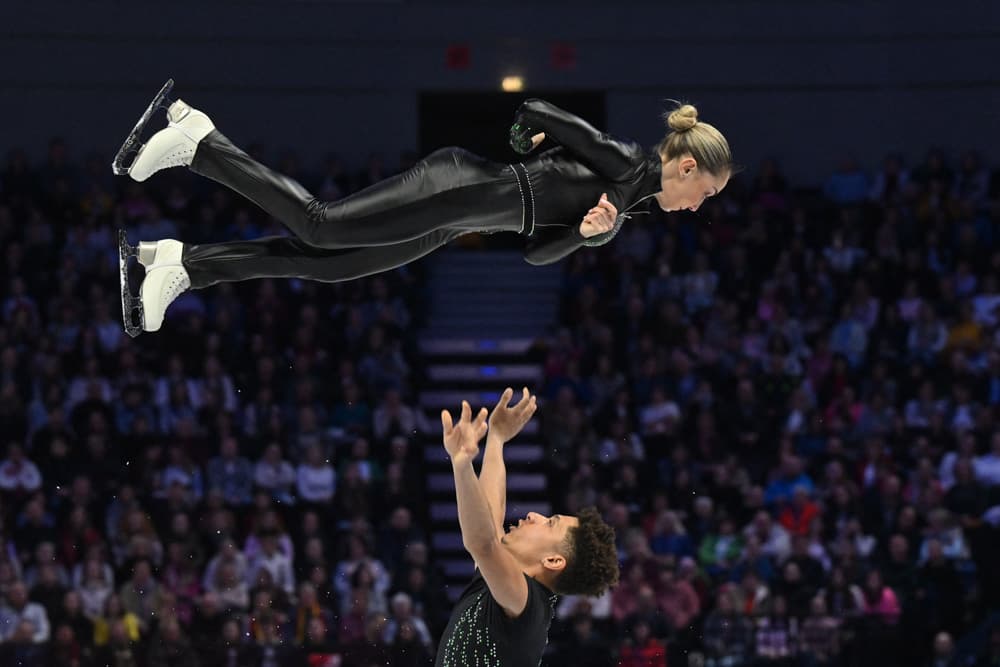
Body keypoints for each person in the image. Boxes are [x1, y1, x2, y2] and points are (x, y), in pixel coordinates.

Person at [114, 81, 733, 333]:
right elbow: (537, 114)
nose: (700, 205)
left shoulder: (622, 208)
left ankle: (186, 263)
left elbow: (538, 254)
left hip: (453, 223)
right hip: (456, 186)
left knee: (326, 264)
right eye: (706, 192)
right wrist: (525, 147)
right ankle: (200, 142)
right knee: (320, 225)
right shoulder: (626, 163)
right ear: (686, 167)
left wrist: (589, 236)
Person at [435, 387, 620, 667]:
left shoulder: (528, 605)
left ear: (553, 560)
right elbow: (489, 522)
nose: (534, 515)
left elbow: (483, 543)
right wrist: (496, 440)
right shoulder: (502, 584)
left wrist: (463, 465)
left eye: (549, 523)